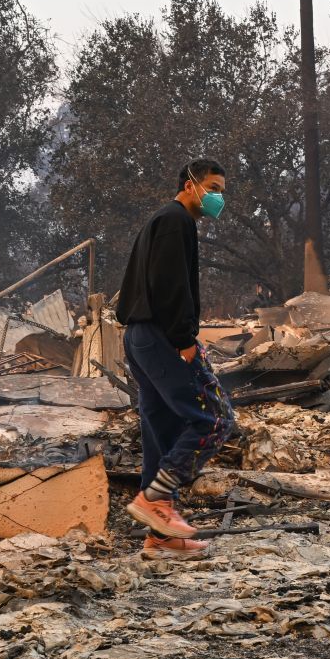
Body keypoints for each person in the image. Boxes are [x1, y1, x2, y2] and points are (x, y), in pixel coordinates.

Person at [117, 159, 238, 558]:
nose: (218, 196)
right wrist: (185, 338)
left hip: (139, 337)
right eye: (213, 187)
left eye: (222, 189)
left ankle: (162, 537)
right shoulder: (176, 221)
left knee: (161, 427)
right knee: (214, 418)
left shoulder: (161, 221)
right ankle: (155, 499)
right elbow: (171, 285)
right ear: (190, 185)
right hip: (161, 336)